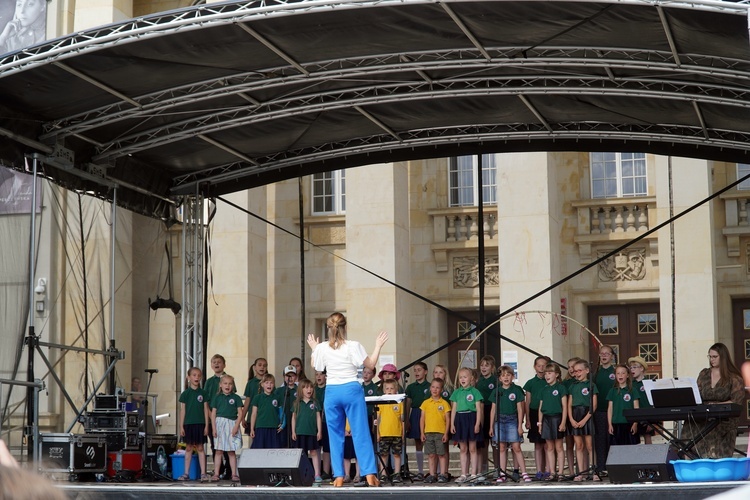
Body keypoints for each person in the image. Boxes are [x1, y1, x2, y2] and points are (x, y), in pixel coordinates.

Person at [307, 312, 388, 487]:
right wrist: (378, 346)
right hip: (351, 389)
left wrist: (314, 348)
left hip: (333, 391)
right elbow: (371, 365)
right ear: (345, 327)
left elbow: (316, 366)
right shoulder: (353, 346)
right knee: (360, 432)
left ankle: (338, 476)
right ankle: (369, 474)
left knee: (335, 435)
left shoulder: (321, 347)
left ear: (329, 328)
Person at [682, 342, 745, 458]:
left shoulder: (734, 378)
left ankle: (711, 459)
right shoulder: (704, 373)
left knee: (712, 427)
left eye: (714, 357)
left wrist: (716, 404)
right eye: (710, 356)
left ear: (723, 357)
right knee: (689, 424)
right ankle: (689, 459)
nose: (711, 359)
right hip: (704, 414)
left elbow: (736, 401)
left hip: (723, 418)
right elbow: (697, 394)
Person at [488, 365, 532, 483]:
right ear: (499, 378)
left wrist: (519, 426)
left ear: (513, 377)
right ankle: (502, 473)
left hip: (512, 420)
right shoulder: (497, 391)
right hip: (499, 420)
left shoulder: (516, 390)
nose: (506, 377)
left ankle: (524, 472)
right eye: (503, 375)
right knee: (502, 447)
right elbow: (493, 410)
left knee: (516, 447)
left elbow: (520, 409)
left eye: (508, 375)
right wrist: (491, 426)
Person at [450, 366, 483, 483]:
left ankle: (474, 473)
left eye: (465, 377)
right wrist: (452, 424)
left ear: (471, 378)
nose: (462, 379)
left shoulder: (475, 392)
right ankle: (464, 473)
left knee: (473, 448)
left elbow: (478, 409)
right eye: (460, 377)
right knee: (463, 448)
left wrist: (477, 424)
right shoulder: (456, 393)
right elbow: (454, 409)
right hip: (460, 420)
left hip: (471, 419)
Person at [568, 359, 600, 482]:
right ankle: (580, 472)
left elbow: (594, 405)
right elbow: (570, 404)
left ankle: (594, 471)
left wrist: (585, 419)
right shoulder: (573, 386)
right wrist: (571, 419)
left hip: (587, 415)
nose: (577, 373)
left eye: (579, 370)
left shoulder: (591, 385)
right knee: (579, 446)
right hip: (575, 415)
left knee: (590, 445)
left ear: (587, 370)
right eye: (575, 371)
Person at [178, 367, 210, 482]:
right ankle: (186, 473)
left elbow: (206, 409)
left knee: (201, 447)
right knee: (189, 447)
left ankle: (203, 473)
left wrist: (207, 425)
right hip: (188, 424)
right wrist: (181, 426)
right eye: (194, 375)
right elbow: (183, 411)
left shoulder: (203, 393)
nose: (196, 377)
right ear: (189, 377)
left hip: (200, 423)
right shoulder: (185, 394)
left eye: (198, 375)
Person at [210, 374, 243, 483]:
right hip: (220, 424)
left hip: (232, 424)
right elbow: (213, 414)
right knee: (218, 450)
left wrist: (236, 426)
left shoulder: (236, 398)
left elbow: (240, 413)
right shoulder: (217, 398)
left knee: (231, 451)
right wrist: (214, 428)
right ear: (220, 385)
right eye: (225, 383)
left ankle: (234, 474)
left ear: (233, 385)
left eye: (230, 383)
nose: (227, 386)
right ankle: (216, 473)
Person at [538, 363, 568, 481]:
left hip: (557, 418)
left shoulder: (561, 388)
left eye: (549, 373)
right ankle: (552, 472)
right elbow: (541, 407)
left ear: (556, 374)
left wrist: (563, 422)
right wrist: (540, 423)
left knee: (559, 447)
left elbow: (565, 406)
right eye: (545, 373)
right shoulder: (544, 389)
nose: (547, 375)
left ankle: (560, 472)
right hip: (546, 419)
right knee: (549, 447)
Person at [205, 354, 232, 479]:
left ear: (224, 364)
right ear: (211, 365)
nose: (216, 364)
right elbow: (206, 402)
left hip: (226, 418)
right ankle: (218, 470)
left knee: (228, 445)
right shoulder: (209, 382)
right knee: (215, 445)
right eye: (214, 362)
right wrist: (211, 417)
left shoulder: (228, 379)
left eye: (219, 362)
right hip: (213, 419)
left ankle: (229, 470)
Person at [419, 378, 451, 484]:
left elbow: (448, 419)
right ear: (430, 388)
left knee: (441, 454)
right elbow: (422, 419)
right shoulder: (425, 403)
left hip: (440, 433)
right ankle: (432, 474)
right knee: (431, 454)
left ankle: (442, 474)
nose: (435, 389)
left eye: (438, 387)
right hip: (428, 432)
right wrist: (422, 432)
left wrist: (446, 433)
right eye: (433, 387)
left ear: (441, 390)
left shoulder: (445, 403)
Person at [523, 355, 550, 478]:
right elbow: (527, 402)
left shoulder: (550, 380)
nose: (541, 368)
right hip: (534, 414)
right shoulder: (530, 383)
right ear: (535, 367)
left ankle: (549, 470)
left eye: (544, 365)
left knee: (547, 444)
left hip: (548, 414)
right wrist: (527, 419)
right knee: (538, 444)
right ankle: (539, 470)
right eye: (539, 365)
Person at [292, 379, 323, 483]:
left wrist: (319, 431)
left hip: (311, 432)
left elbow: (318, 417)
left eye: (310, 387)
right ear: (301, 390)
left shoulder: (315, 402)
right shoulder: (297, 403)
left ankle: (317, 473)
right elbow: (294, 418)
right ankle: (301, 474)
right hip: (300, 432)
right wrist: (293, 431)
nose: (309, 389)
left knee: (314, 452)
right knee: (301, 454)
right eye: (306, 387)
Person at [592, 345, 615, 475]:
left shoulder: (616, 371)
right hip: (599, 411)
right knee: (600, 440)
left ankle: (613, 467)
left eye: (607, 353)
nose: (604, 355)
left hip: (614, 411)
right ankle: (601, 467)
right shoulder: (595, 373)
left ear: (612, 355)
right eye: (602, 353)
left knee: (612, 439)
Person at [405, 361, 430, 480]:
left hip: (428, 414)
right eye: (415, 370)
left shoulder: (430, 386)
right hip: (415, 413)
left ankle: (434, 471)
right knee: (418, 442)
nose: (416, 372)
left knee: (430, 441)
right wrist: (407, 419)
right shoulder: (410, 387)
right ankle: (420, 471)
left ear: (425, 372)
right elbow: (408, 404)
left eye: (419, 370)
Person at [377, 380, 404, 483]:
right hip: (384, 433)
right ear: (384, 390)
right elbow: (377, 419)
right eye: (387, 388)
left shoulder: (399, 402)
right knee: (384, 454)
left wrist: (402, 433)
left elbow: (402, 419)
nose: (389, 391)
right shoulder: (381, 402)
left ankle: (397, 474)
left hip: (396, 433)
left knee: (397, 454)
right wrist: (378, 433)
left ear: (396, 390)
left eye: (392, 388)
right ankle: (383, 474)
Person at [606, 364, 639, 447]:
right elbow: (610, 409)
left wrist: (635, 423)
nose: (620, 375)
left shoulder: (633, 390)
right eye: (618, 373)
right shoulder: (612, 391)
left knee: (630, 449)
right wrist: (610, 424)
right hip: (616, 424)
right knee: (616, 449)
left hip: (629, 424)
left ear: (627, 375)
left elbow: (636, 408)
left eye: (623, 373)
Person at [476, 355, 498, 475]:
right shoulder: (478, 381)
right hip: (481, 411)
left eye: (487, 365)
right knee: (483, 442)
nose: (484, 368)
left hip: (492, 410)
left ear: (492, 367)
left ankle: (497, 468)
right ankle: (484, 468)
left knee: (494, 442)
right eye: (482, 365)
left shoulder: (495, 380)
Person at [250, 373, 284, 449]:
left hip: (274, 427)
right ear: (262, 384)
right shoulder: (257, 398)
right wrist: (252, 428)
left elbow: (281, 413)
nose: (269, 385)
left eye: (271, 383)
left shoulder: (277, 398)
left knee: (273, 450)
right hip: (261, 427)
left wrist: (282, 424)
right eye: (267, 382)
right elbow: (254, 414)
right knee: (260, 450)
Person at [628, 356, 654, 444]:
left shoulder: (648, 383)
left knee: (647, 435)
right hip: (635, 414)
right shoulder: (631, 385)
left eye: (634, 367)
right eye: (631, 368)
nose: (632, 370)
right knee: (634, 436)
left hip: (646, 414)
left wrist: (652, 420)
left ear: (641, 368)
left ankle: (649, 456)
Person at [563, 357, 581, 475]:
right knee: (569, 444)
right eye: (569, 367)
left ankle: (581, 469)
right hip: (569, 416)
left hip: (580, 415)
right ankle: (571, 471)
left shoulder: (583, 381)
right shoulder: (565, 383)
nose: (571, 369)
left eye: (573, 366)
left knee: (581, 444)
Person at [242, 357, 268, 437]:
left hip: (265, 417)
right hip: (253, 416)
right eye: (259, 365)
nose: (262, 367)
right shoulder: (251, 383)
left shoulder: (269, 383)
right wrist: (243, 417)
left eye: (264, 365)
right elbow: (247, 401)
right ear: (255, 367)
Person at [315, 369, 332, 480]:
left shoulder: (329, 389)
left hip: (326, 421)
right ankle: (316, 471)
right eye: (316, 374)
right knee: (315, 446)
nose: (319, 376)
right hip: (315, 422)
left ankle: (326, 471)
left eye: (321, 374)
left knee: (326, 447)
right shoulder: (313, 389)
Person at [276, 365, 299, 448]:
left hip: (296, 422)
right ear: (284, 377)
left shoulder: (300, 390)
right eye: (287, 376)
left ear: (296, 377)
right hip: (283, 423)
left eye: (292, 376)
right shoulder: (279, 391)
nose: (290, 378)